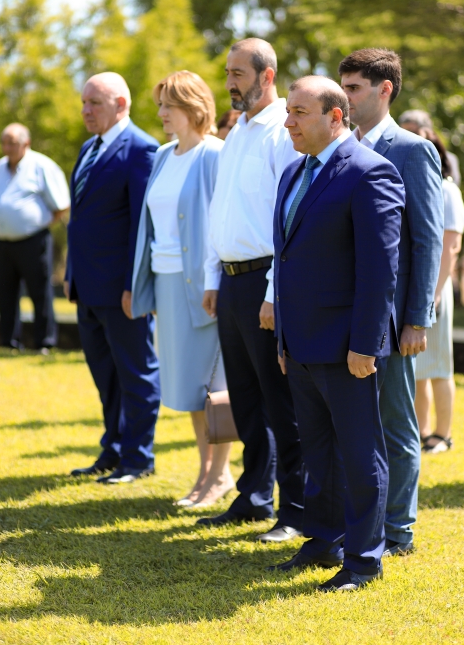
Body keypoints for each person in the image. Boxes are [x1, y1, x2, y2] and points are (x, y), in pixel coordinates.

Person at [268, 76, 404, 591]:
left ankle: (364, 559)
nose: (288, 122)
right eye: (288, 111)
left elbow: (379, 271)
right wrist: (283, 338)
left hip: (349, 347)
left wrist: (365, 344)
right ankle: (324, 540)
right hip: (301, 343)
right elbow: (286, 260)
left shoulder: (371, 171)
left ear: (335, 116)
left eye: (299, 113)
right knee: (319, 451)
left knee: (360, 453)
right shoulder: (292, 172)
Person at [197, 37, 305, 543]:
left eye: (237, 73)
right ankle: (254, 496)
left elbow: (288, 220)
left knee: (280, 401)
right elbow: (221, 210)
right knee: (244, 398)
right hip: (231, 281)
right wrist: (213, 277)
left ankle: (296, 510)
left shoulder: (283, 132)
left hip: (267, 282)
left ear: (267, 76)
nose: (229, 82)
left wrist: (273, 293)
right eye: (227, 73)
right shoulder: (237, 131)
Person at [339, 48, 443, 556]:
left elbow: (428, 239)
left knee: (396, 426)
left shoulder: (412, 150)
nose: (345, 98)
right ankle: (361, 524)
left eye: (354, 88)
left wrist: (417, 318)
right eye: (343, 88)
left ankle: (399, 531)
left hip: (394, 317)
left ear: (385, 90)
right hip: (347, 314)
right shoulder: (342, 148)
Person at [131, 70, 234, 507]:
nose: (160, 114)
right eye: (160, 106)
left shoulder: (214, 154)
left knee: (213, 385)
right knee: (190, 388)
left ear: (193, 108)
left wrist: (214, 284)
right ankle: (206, 471)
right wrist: (144, 286)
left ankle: (219, 474)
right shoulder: (162, 155)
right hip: (167, 284)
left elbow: (220, 224)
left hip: (203, 287)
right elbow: (150, 228)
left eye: (167, 106)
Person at [65, 72, 161, 484]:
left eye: (95, 103)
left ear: (121, 104)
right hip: (87, 287)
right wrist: (70, 272)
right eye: (84, 103)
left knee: (136, 373)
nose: (86, 111)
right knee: (105, 375)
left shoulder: (141, 149)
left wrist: (133, 285)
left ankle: (138, 458)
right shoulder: (89, 147)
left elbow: (142, 225)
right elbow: (79, 219)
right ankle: (114, 448)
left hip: (122, 290)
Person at [0, 123, 70, 352]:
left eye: (12, 143)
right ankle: (9, 343)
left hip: (33, 240)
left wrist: (37, 224)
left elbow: (61, 204)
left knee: (39, 292)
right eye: (4, 143)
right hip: (2, 241)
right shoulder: (0, 166)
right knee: (5, 293)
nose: (7, 148)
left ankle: (45, 342)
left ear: (26, 143)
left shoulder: (41, 165)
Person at [414, 131, 464, 453]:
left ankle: (443, 434)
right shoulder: (419, 187)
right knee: (418, 367)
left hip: (436, 287)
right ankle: (422, 432)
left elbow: (452, 247)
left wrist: (433, 294)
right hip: (419, 288)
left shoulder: (447, 191)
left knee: (439, 365)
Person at [398, 110, 461, 186]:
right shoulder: (398, 158)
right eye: (403, 133)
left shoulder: (449, 160)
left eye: (413, 132)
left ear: (428, 131)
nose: (408, 137)